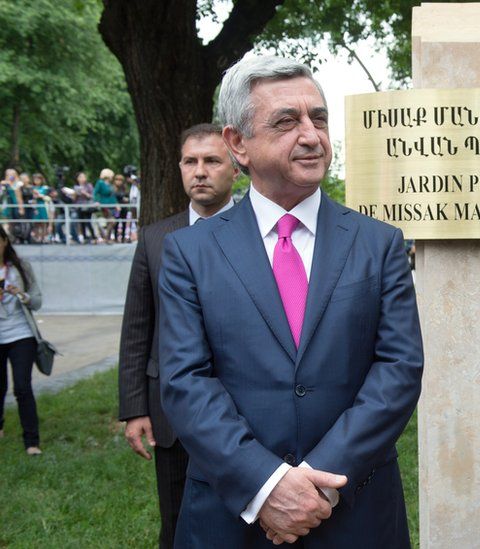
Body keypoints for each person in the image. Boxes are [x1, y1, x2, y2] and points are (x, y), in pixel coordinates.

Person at [158, 56, 423, 547]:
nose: (311, 135)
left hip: (354, 508)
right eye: (287, 121)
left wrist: (316, 484)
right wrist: (266, 486)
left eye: (318, 118)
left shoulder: (378, 243)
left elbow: (399, 368)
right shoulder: (189, 252)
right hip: (232, 514)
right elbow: (184, 382)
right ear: (237, 143)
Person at [118, 123, 238, 549]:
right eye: (191, 161)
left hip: (241, 406)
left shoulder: (256, 236)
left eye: (211, 161)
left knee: (243, 518)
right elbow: (137, 327)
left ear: (236, 167)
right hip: (170, 412)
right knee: (176, 522)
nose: (200, 171)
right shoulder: (155, 239)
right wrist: (134, 408)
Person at [0, 225, 44, 455]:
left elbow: (37, 302)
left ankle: (32, 442)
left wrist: (19, 293)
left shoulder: (21, 268)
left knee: (22, 387)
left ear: (5, 241)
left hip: (21, 335)